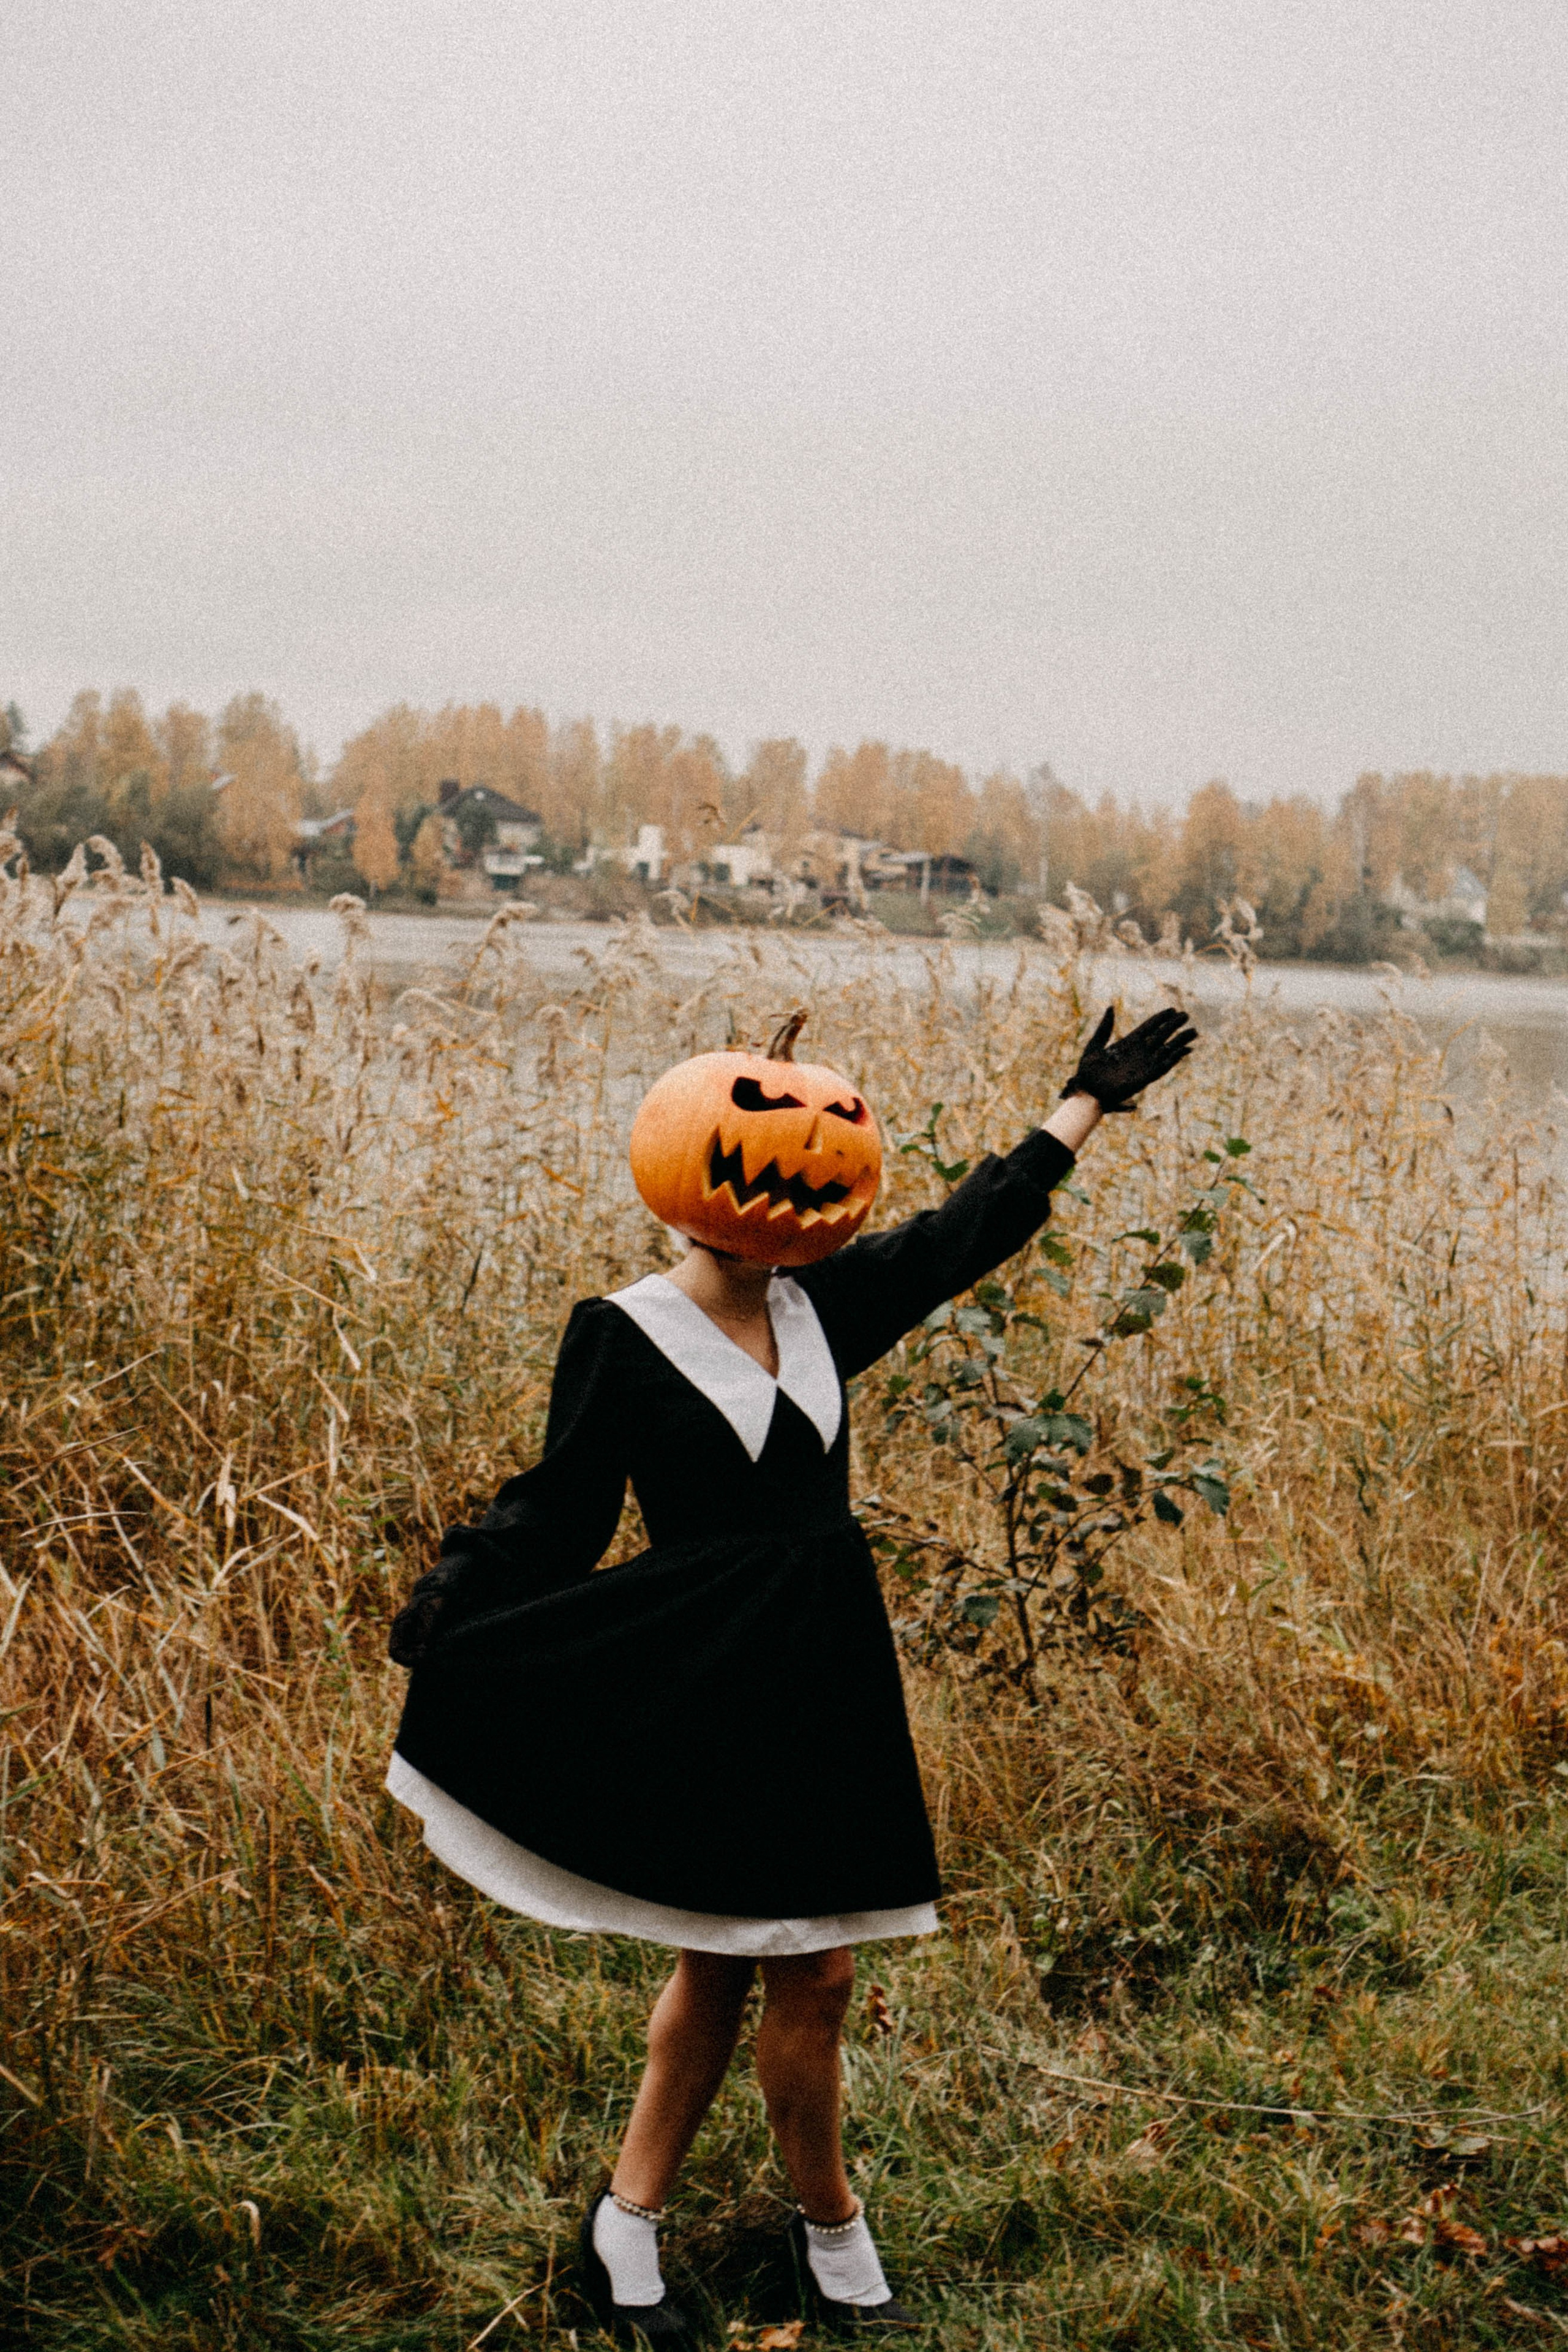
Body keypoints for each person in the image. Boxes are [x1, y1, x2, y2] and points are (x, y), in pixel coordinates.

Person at [386, 1004, 1196, 2342]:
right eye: (765, 1153)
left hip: (821, 1678)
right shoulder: (624, 1332)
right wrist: (457, 1605)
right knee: (770, 1969)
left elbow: (961, 1235)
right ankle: (801, 2234)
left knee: (774, 1970)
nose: (799, 1178)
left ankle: (655, 2227)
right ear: (689, 1172)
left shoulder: (825, 1308)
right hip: (702, 1674)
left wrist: (1081, 1106)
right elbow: (561, 1506)